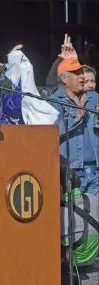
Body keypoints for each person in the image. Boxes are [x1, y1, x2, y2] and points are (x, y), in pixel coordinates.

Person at [48, 58, 98, 197]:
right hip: (72, 176)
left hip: (95, 175)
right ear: (64, 79)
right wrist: (78, 115)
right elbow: (51, 133)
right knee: (75, 218)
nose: (82, 76)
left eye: (82, 72)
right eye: (77, 73)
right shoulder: (53, 103)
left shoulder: (93, 97)